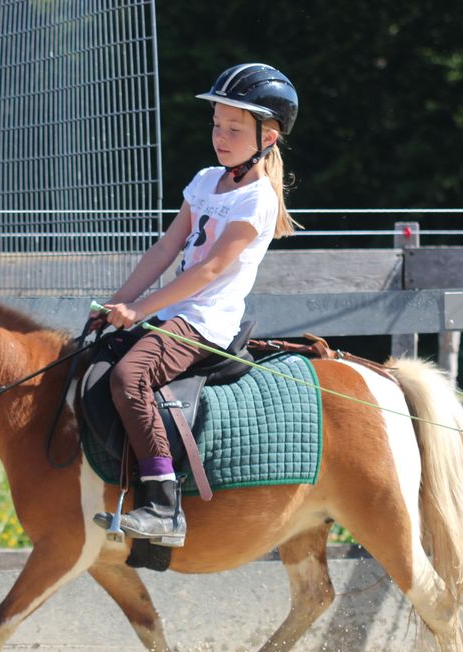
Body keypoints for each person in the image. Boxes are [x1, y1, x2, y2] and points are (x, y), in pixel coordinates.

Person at [91, 63, 299, 547]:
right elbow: (167, 249)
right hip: (170, 314)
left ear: (267, 137)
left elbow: (209, 271)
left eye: (233, 128)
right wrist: (119, 301)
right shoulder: (206, 180)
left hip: (205, 323)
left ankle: (164, 507)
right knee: (96, 358)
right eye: (216, 124)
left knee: (130, 376)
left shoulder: (257, 200)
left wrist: (139, 311)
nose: (220, 137)